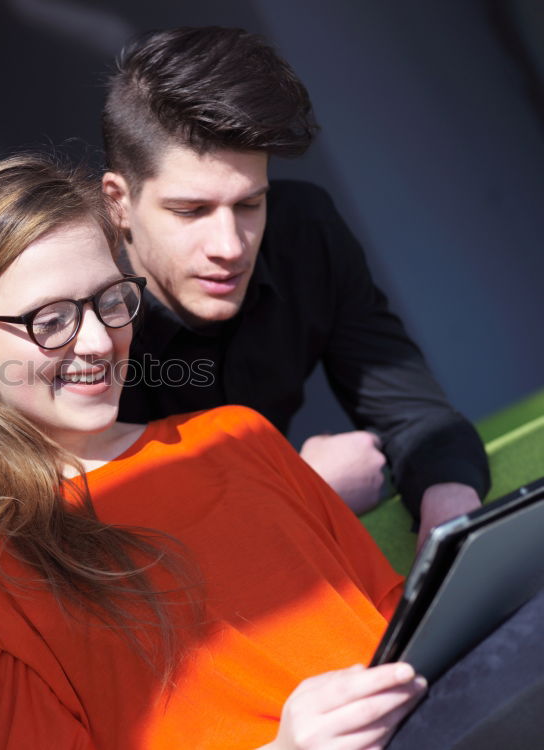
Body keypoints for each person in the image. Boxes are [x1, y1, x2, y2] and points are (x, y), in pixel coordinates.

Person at [0, 153, 436, 749]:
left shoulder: (240, 436)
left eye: (111, 300)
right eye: (50, 319)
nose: (98, 340)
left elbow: (408, 638)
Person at [99, 27, 489, 544]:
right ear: (118, 202)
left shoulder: (303, 235)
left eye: (249, 204)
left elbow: (414, 414)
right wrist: (298, 486)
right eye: (191, 210)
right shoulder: (73, 320)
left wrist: (450, 509)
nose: (231, 246)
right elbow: (99, 550)